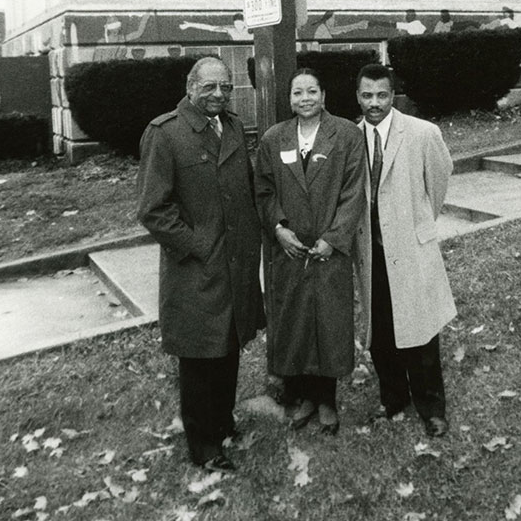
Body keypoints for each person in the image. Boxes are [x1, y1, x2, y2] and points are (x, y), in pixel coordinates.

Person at [137, 56, 264, 473]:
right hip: (195, 268)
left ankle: (222, 422)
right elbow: (154, 210)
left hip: (235, 266)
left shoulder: (231, 127)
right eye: (209, 87)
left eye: (225, 87)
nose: (218, 95)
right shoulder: (166, 133)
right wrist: (196, 245)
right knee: (198, 356)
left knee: (228, 347)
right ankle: (203, 443)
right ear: (191, 86)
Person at [254, 68, 367, 435]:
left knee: (329, 324)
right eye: (298, 93)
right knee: (295, 324)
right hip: (289, 250)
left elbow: (353, 193)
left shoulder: (347, 134)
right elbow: (264, 190)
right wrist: (278, 229)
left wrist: (333, 239)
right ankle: (301, 396)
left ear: (324, 96)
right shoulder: (274, 139)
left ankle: (328, 401)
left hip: (327, 249)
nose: (305, 99)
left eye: (312, 92)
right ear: (289, 99)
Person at [353, 63, 456, 438]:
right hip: (370, 251)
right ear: (358, 96)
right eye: (367, 95)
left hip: (411, 249)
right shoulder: (351, 136)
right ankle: (393, 397)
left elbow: (439, 181)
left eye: (381, 95)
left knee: (421, 331)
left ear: (393, 95)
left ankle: (432, 407)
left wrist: (417, 225)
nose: (374, 103)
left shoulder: (422, 133)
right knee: (381, 331)